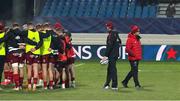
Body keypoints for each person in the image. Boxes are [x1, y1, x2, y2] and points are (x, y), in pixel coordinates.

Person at [102, 21, 121, 91]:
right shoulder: (116, 34)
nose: (106, 28)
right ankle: (107, 84)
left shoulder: (111, 35)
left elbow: (109, 46)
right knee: (110, 69)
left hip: (112, 55)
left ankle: (114, 85)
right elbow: (120, 42)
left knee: (112, 70)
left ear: (110, 27)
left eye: (107, 26)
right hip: (115, 54)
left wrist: (105, 56)